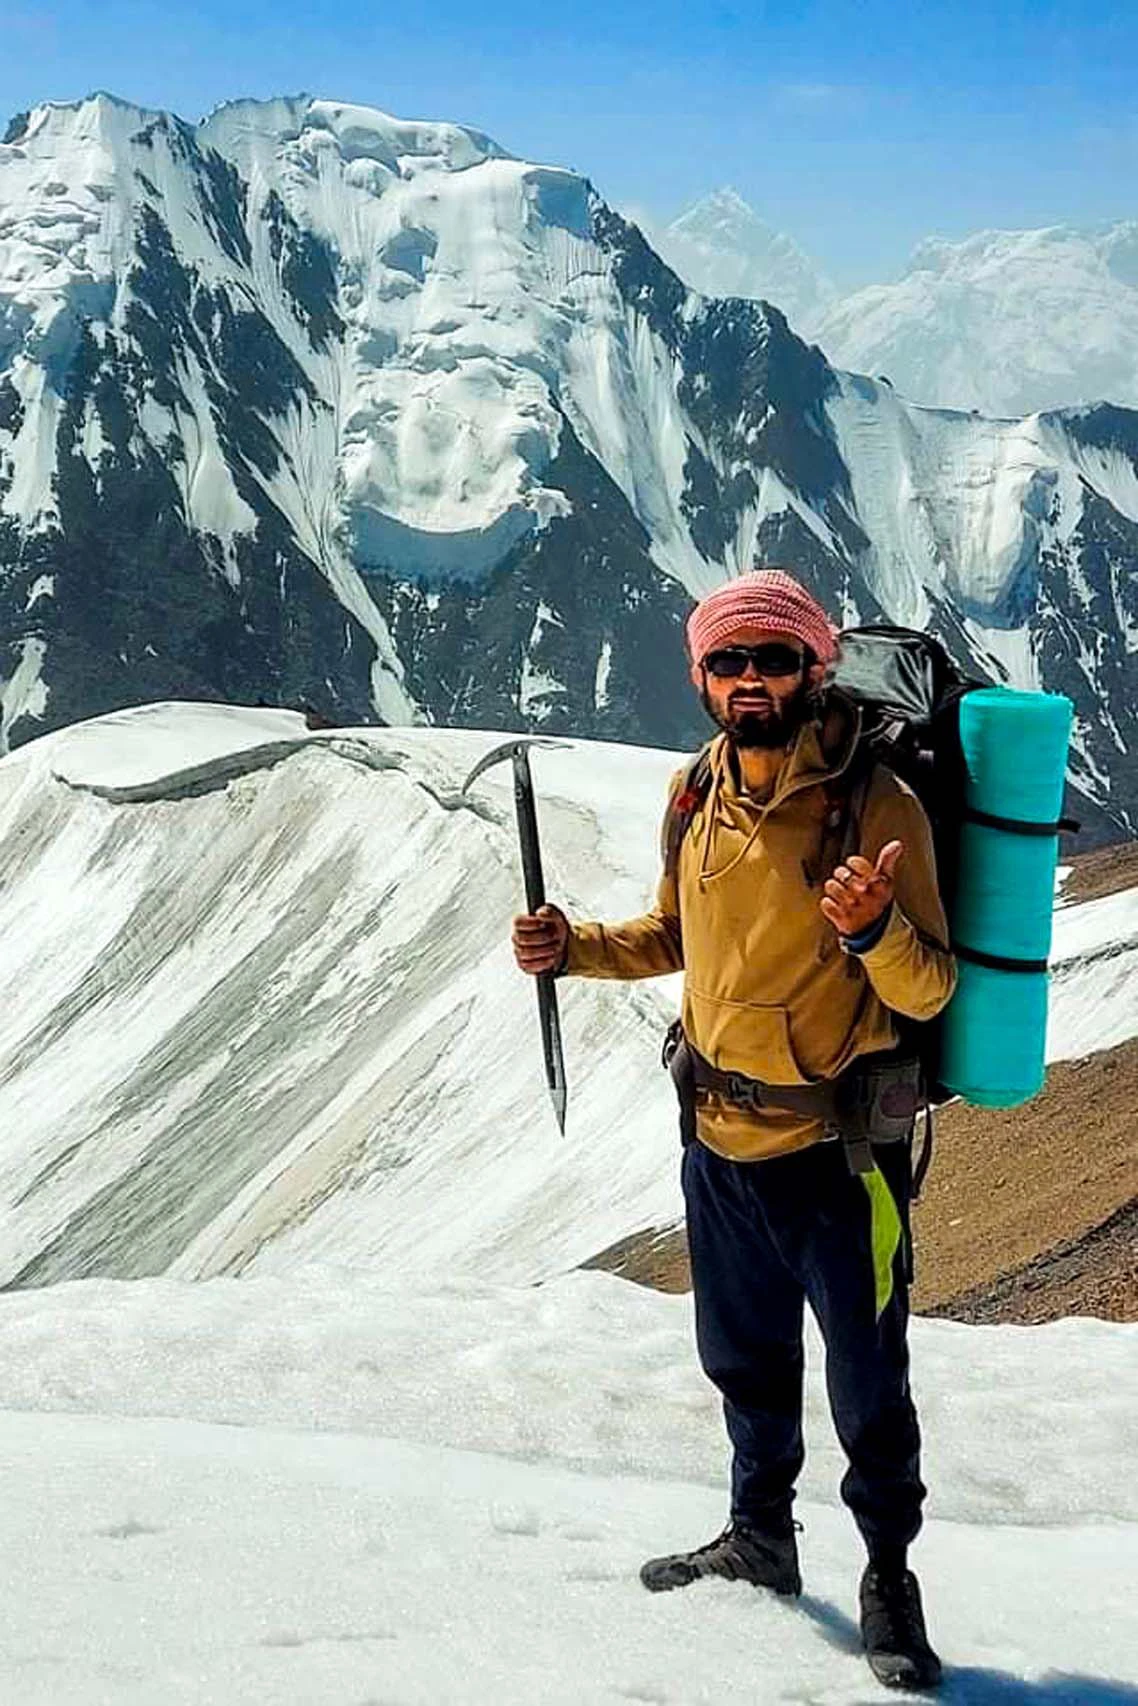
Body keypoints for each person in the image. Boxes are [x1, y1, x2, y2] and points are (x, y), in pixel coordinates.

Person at [512, 569, 955, 1693]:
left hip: (837, 1157)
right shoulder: (693, 791)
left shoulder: (876, 805)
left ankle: (889, 1578)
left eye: (773, 658)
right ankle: (761, 1535)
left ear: (816, 665)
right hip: (716, 1141)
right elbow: (676, 933)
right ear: (699, 673)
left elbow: (929, 987)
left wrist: (871, 931)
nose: (749, 678)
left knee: (868, 1384)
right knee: (742, 1359)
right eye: (727, 660)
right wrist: (574, 947)